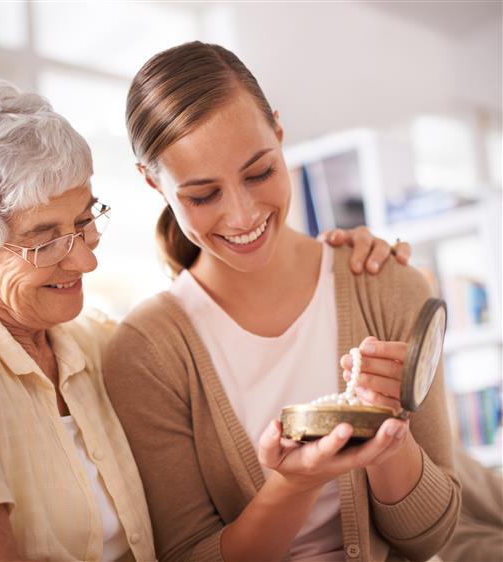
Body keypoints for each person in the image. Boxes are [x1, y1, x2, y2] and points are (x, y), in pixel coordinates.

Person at [0, 79, 407, 561]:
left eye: (86, 221)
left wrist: (333, 258)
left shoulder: (93, 345)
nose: (86, 259)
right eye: (45, 242)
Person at [103, 42, 461, 562]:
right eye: (203, 196)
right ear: (152, 181)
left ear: (277, 129)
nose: (243, 215)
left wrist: (389, 440)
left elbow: (431, 536)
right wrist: (293, 485)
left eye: (259, 173)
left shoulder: (386, 284)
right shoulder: (146, 352)